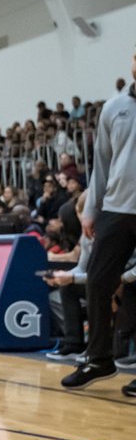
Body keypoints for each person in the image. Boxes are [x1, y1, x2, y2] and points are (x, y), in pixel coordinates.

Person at [63, 49, 136, 395]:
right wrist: (91, 209)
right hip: (116, 208)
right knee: (98, 281)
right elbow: (102, 163)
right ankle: (99, 358)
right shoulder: (114, 107)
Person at [45, 193, 91, 362]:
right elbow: (82, 267)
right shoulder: (85, 235)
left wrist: (71, 277)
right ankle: (74, 344)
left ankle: (99, 349)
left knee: (96, 289)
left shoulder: (108, 230)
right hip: (100, 280)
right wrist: (67, 276)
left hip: (119, 282)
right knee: (66, 287)